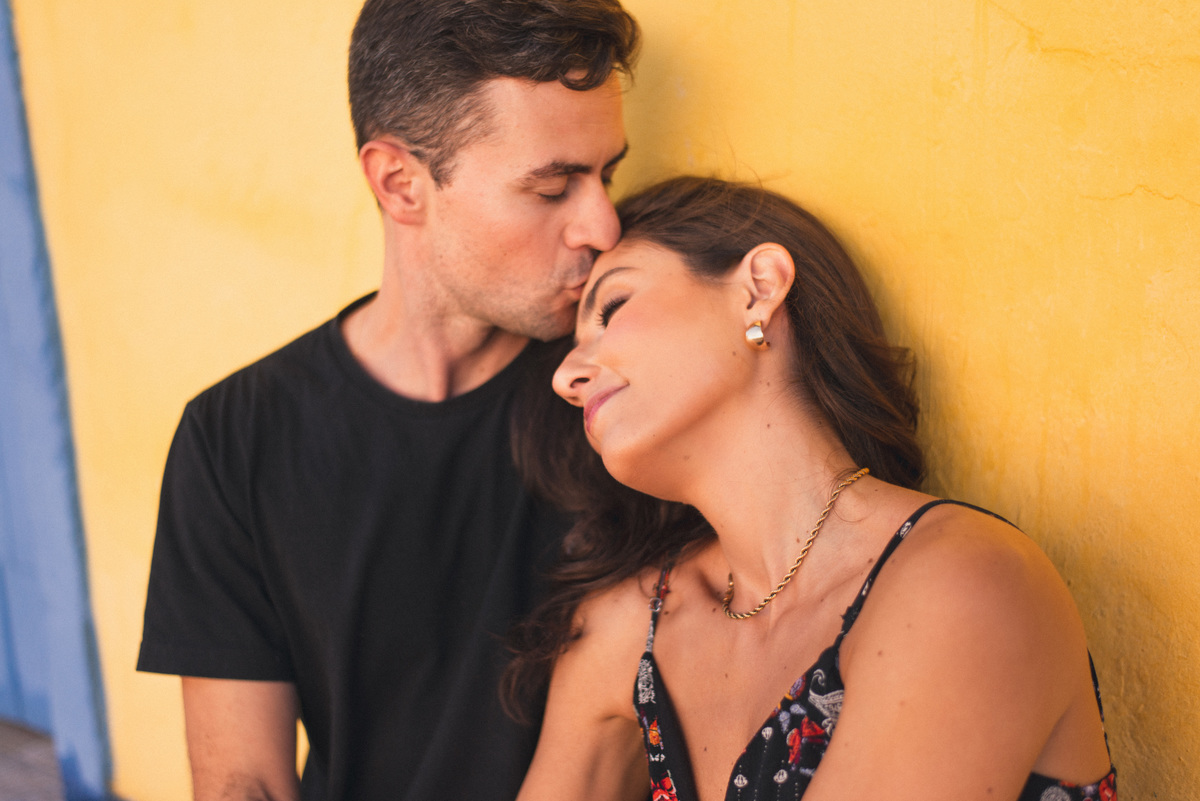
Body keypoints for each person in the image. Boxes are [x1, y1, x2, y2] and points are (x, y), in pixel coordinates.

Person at [136, 1, 638, 799]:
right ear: (402, 184)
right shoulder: (235, 436)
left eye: (606, 175)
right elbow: (243, 779)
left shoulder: (622, 393)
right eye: (553, 189)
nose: (603, 228)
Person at [510, 176, 1117, 801]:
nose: (566, 377)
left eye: (611, 310)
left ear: (759, 289)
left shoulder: (965, 580)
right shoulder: (628, 626)